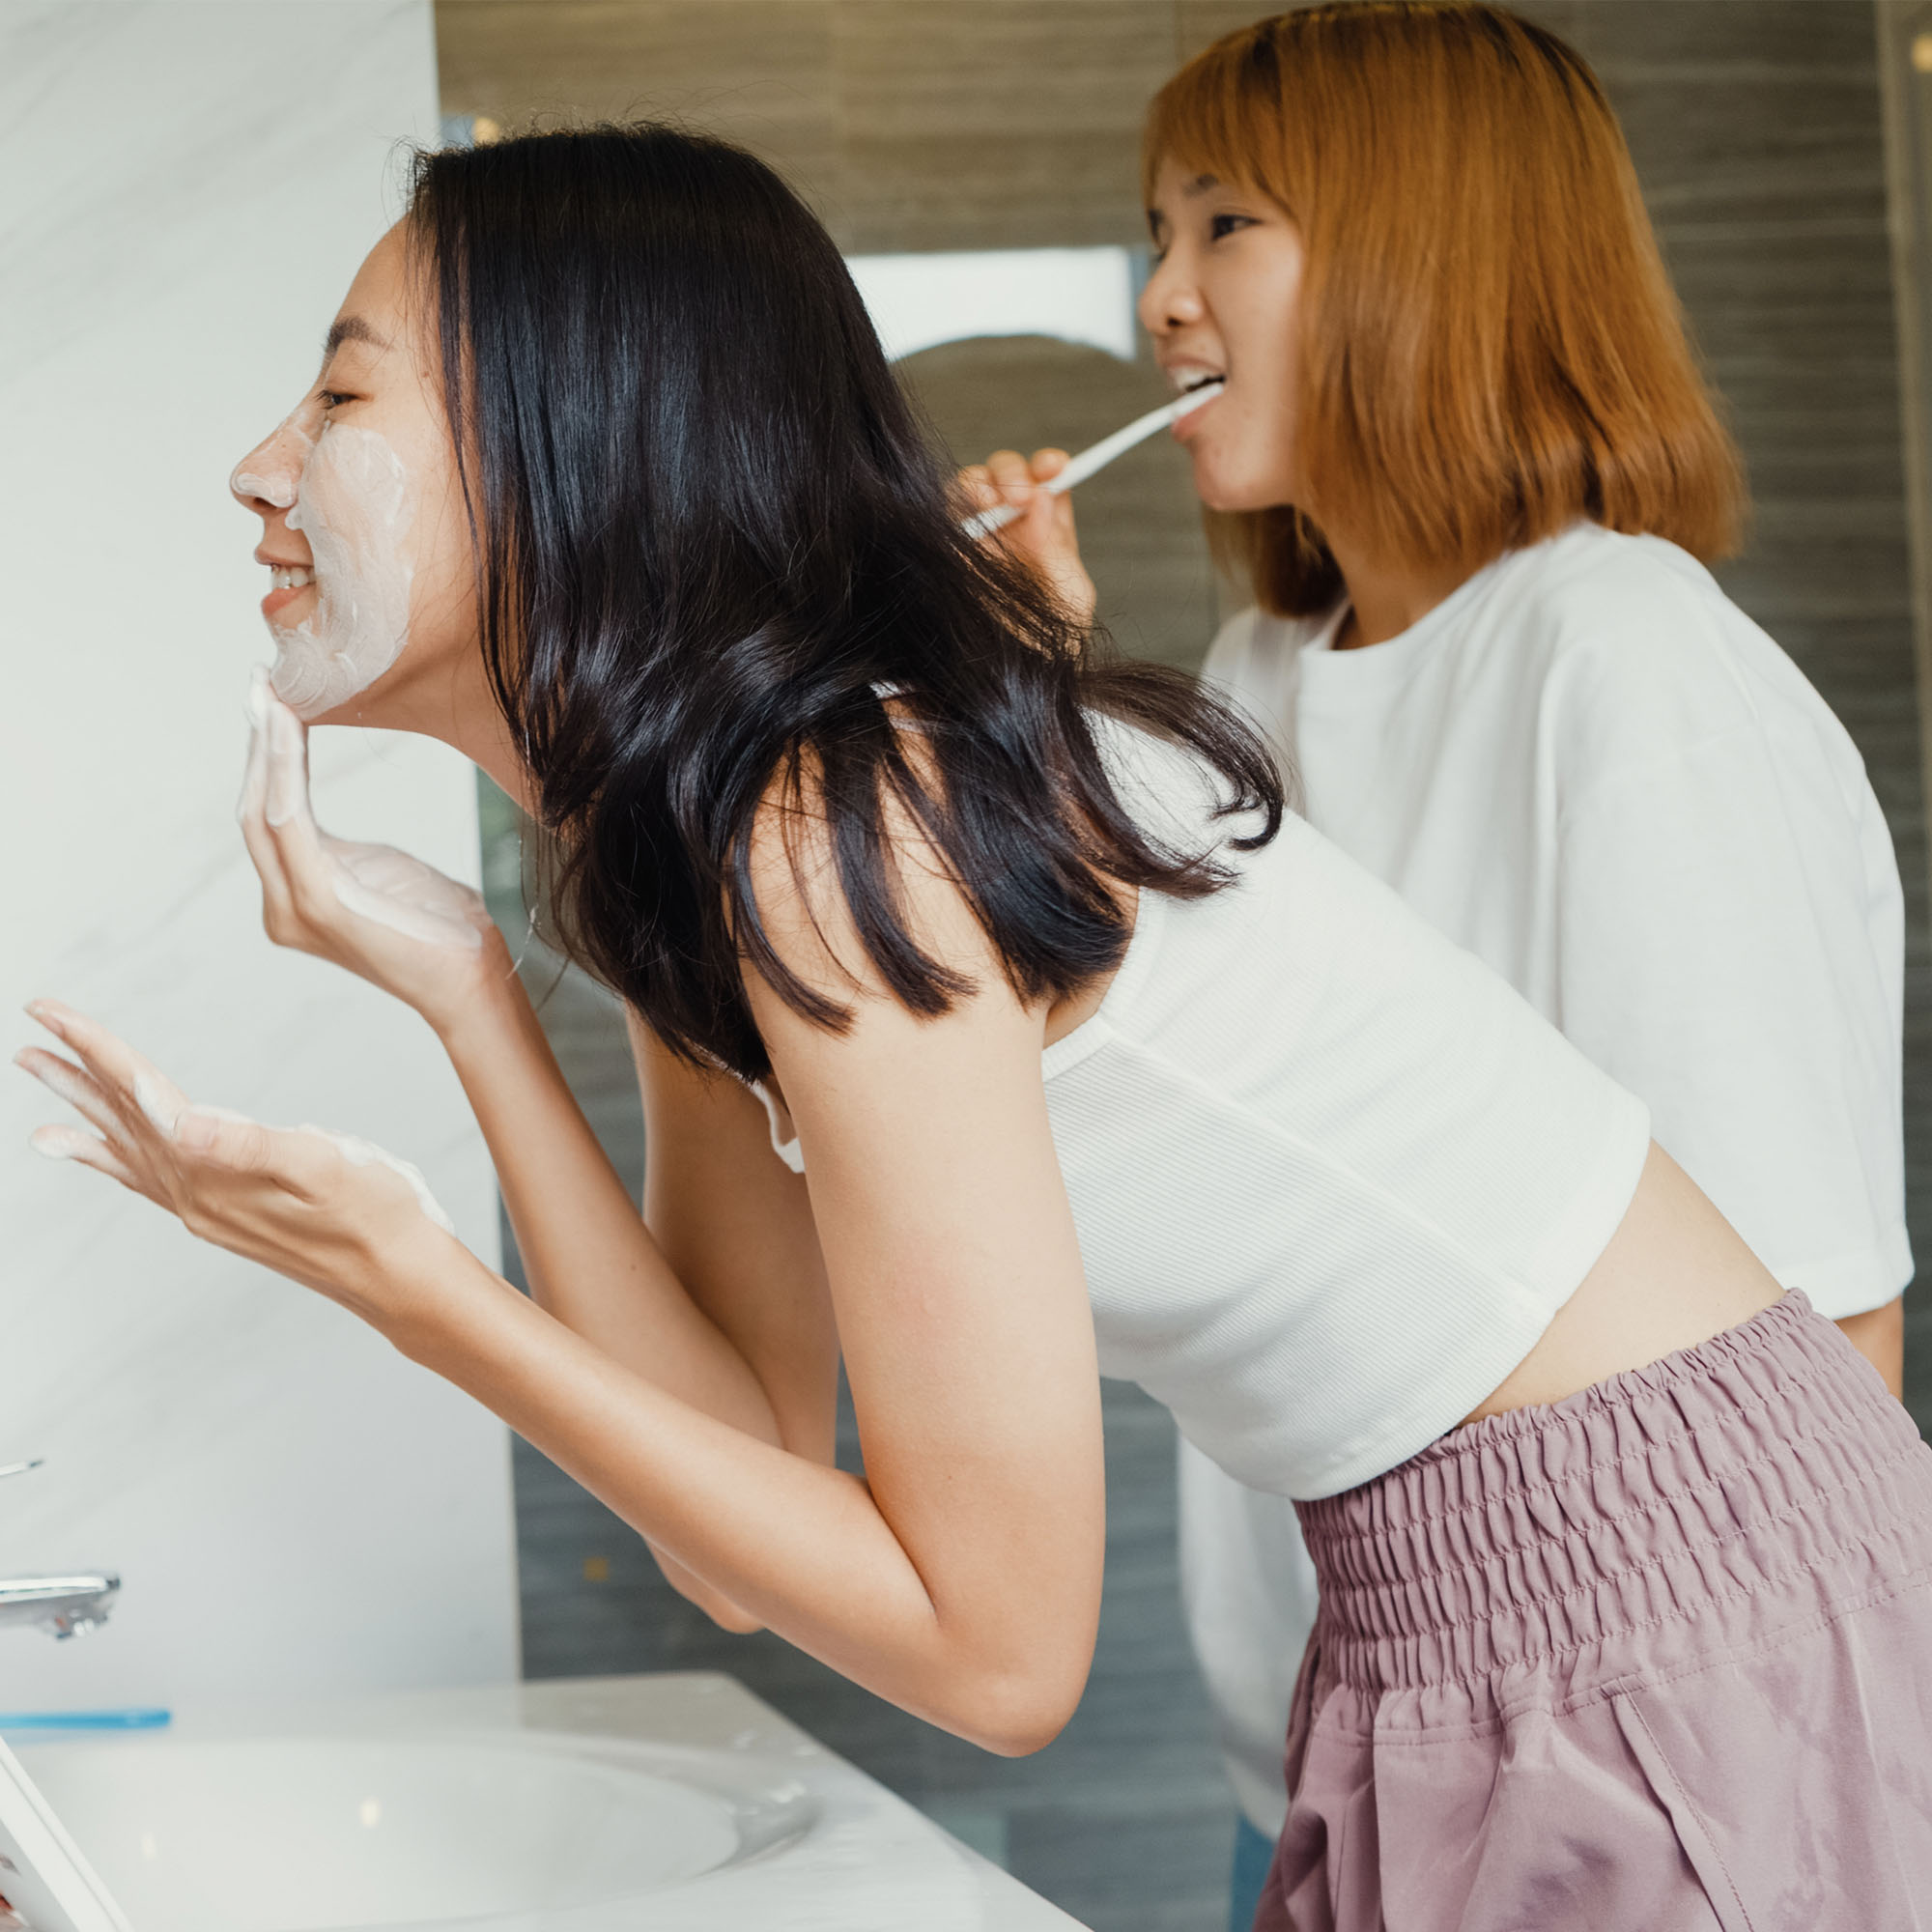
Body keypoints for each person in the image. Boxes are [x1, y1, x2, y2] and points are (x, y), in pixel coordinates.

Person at [19, 122, 1932, 1931]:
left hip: (1671, 1600)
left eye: (341, 394)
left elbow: (1001, 1657)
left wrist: (424, 1288)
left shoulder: (836, 821)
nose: (260, 466)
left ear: (565, 445)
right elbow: (738, 1507)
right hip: (1448, 1600)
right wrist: (471, 999)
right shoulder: (715, 830)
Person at [963, 7, 1917, 1924]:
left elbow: (1813, 1353)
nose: (1162, 296)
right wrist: (1023, 690)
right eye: (1160, 229)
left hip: (1632, 1763)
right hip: (1344, 1738)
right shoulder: (1247, 689)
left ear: (1433, 256)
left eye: (1226, 224)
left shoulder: (1622, 667)